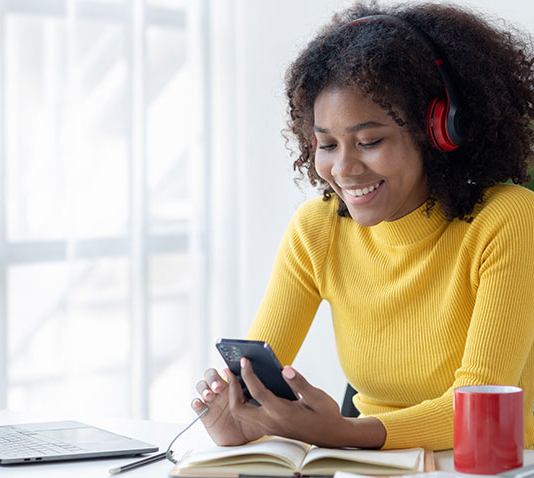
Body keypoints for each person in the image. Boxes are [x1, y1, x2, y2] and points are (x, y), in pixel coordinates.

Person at [192, 1, 534, 451]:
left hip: (490, 461)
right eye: (328, 145)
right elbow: (261, 372)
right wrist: (246, 418)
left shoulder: (507, 219)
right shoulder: (317, 228)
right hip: (371, 462)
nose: (344, 168)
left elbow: (480, 406)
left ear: (438, 131)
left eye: (369, 141)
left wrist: (346, 433)